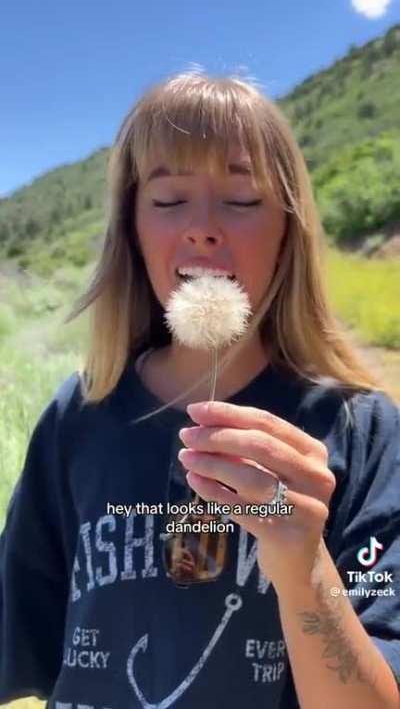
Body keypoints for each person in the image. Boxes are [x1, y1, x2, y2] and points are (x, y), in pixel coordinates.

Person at [0, 70, 399, 709]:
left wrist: (304, 570)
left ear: (289, 231)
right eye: (167, 201)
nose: (203, 227)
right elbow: (21, 648)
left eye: (242, 201)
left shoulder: (363, 430)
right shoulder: (77, 417)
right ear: (131, 230)